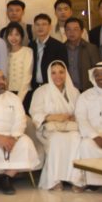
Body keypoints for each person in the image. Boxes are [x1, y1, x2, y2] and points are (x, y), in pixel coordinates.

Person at [28, 61, 82, 191]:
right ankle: (55, 180)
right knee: (57, 139)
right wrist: (54, 117)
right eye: (54, 73)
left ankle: (75, 179)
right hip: (49, 129)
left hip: (71, 128)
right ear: (49, 74)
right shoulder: (41, 91)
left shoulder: (74, 92)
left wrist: (73, 117)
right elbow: (35, 113)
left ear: (66, 74)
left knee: (76, 139)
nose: (58, 76)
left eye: (61, 72)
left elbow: (81, 112)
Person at [27, 14, 68, 108]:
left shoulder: (59, 46)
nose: (40, 27)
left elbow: (64, 69)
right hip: (33, 88)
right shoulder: (30, 45)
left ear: (50, 27)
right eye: (37, 24)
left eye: (44, 24)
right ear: (34, 27)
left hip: (52, 87)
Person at [63, 17, 100, 91]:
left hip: (86, 90)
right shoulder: (60, 48)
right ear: (65, 32)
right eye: (68, 29)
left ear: (82, 31)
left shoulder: (91, 48)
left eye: (75, 29)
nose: (72, 32)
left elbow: (96, 70)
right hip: (67, 90)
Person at [3, 23, 32, 100]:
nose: (13, 38)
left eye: (17, 34)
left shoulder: (27, 51)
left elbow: (27, 76)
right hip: (8, 93)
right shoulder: (5, 53)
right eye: (10, 34)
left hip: (25, 93)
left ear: (21, 36)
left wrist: (19, 99)